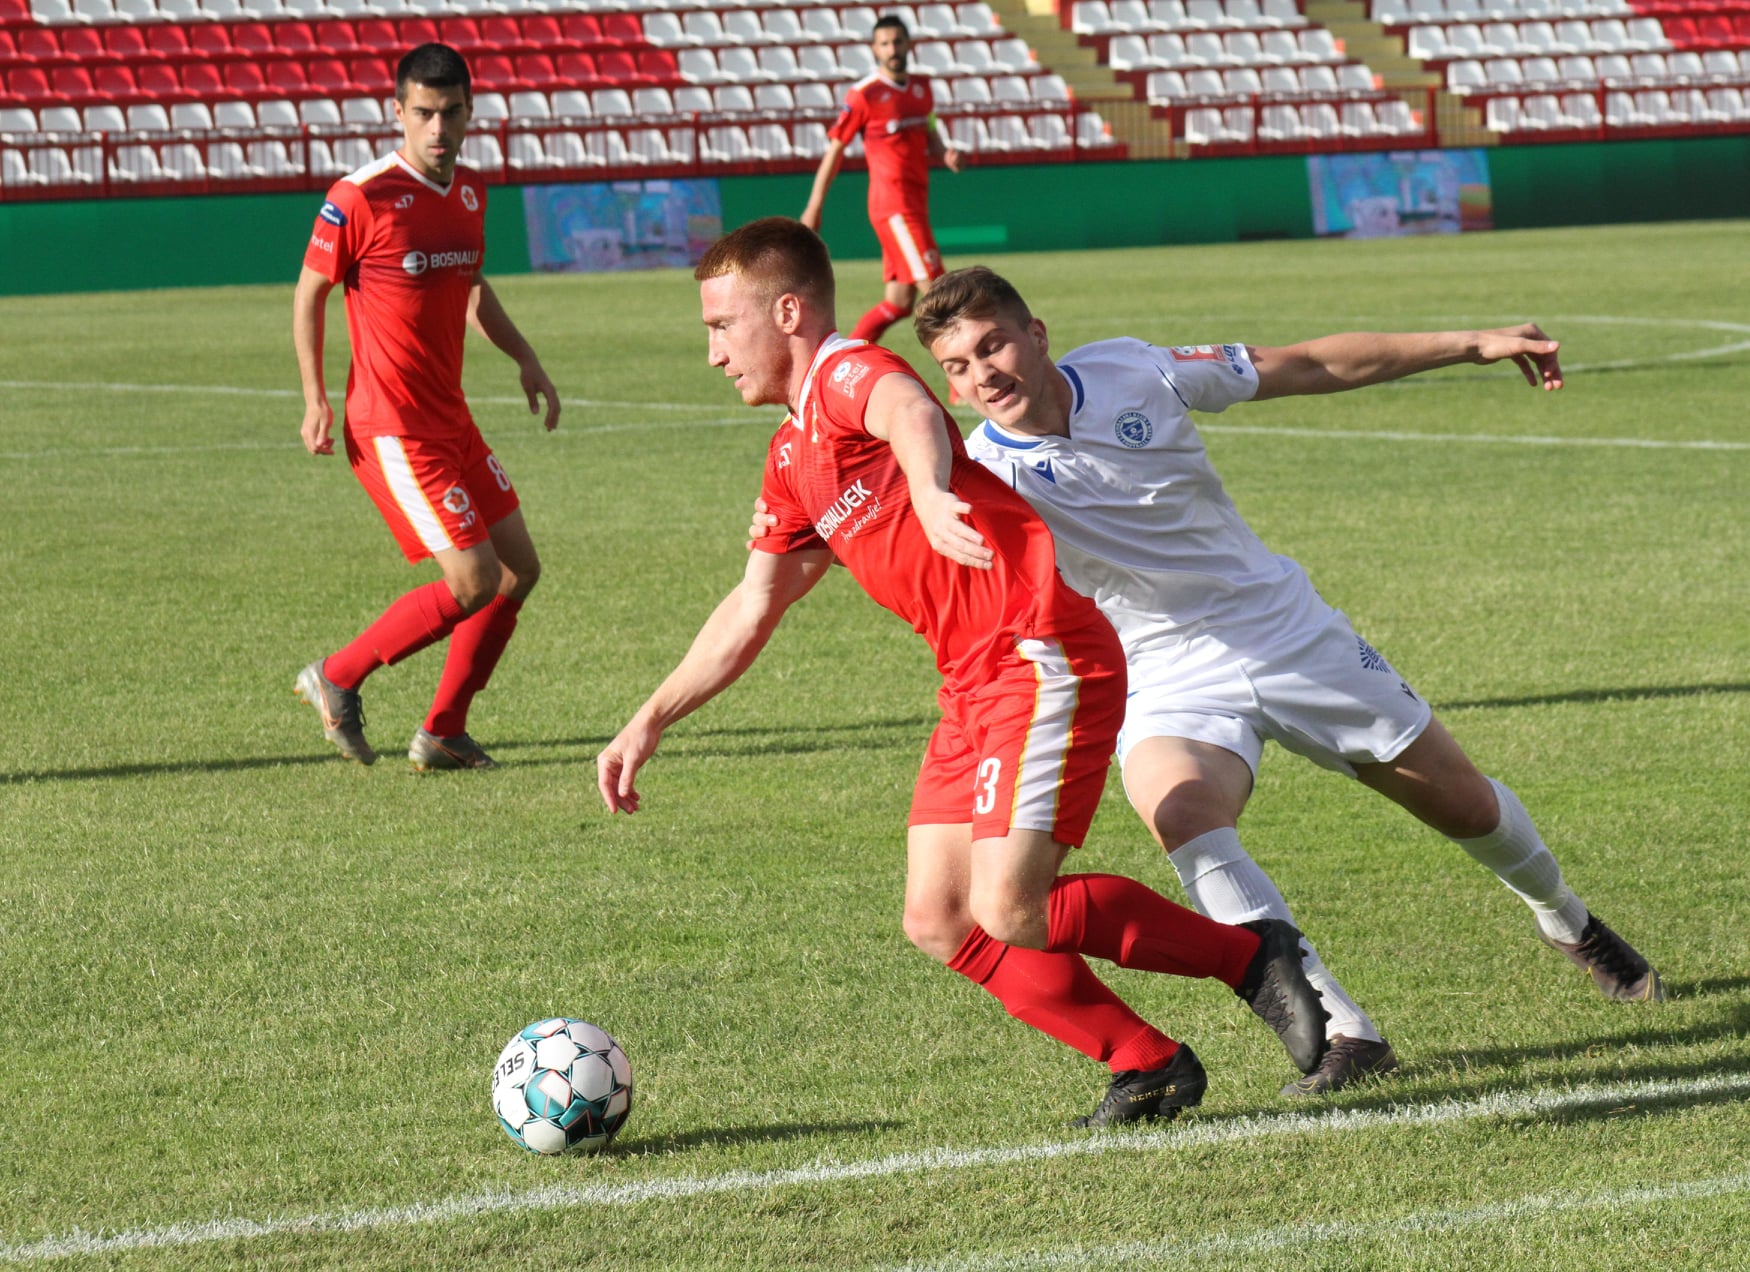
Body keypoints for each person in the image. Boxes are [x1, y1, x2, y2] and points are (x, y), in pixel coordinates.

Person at [597, 218, 1330, 1127]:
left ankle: (1252, 957)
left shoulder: (844, 373)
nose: (712, 354)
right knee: (941, 918)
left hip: (1037, 650)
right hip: (971, 684)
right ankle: (1147, 1064)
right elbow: (753, 606)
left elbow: (906, 409)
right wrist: (651, 717)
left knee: (1011, 906)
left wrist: (934, 485)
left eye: (720, 326)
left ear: (786, 312)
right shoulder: (791, 458)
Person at [900, 265, 1666, 1096]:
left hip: (1285, 629)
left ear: (1037, 334)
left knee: (1466, 806)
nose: (984, 375)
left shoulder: (1133, 370)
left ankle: (1570, 922)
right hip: (1161, 673)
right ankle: (1344, 1032)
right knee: (1183, 813)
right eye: (960, 368)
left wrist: (1469, 343)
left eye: (993, 344)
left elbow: (1304, 363)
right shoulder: (980, 478)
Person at [291, 43, 560, 771]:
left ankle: (444, 730)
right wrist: (317, 397)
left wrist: (524, 356)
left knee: (518, 570)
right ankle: (338, 675)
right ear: (398, 113)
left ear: (469, 113)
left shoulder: (471, 189)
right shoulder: (361, 196)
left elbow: (472, 284)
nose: (437, 128)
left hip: (453, 419)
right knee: (471, 580)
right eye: (423, 113)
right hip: (393, 427)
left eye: (450, 113)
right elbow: (310, 291)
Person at [800, 15, 963, 348]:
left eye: (897, 42)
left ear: (909, 44)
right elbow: (835, 151)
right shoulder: (865, 95)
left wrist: (945, 153)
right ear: (875, 49)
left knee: (900, 303)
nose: (892, 49)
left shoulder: (922, 88)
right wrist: (814, 205)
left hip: (917, 203)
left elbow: (930, 132)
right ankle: (958, 382)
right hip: (894, 207)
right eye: (885, 43)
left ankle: (844, 357)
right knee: (940, 293)